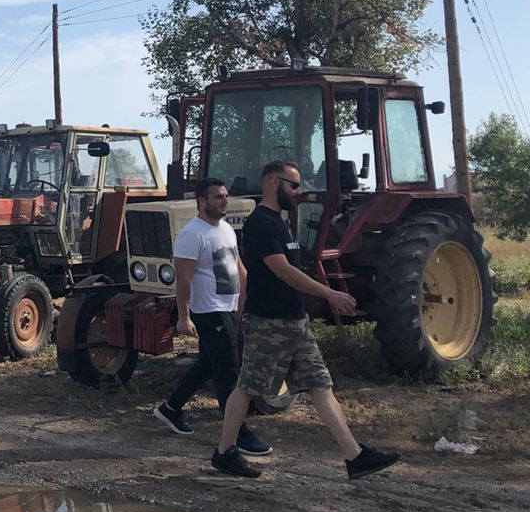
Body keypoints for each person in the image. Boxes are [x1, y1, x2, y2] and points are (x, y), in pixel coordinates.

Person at [211, 160, 400, 480]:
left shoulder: (281, 223)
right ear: (273, 182)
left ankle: (355, 456)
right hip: (269, 324)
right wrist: (330, 294)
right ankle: (224, 452)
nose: (299, 192)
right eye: (294, 185)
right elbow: (282, 270)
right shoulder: (261, 223)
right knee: (247, 388)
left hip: (294, 322)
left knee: (320, 386)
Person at [153, 178, 269, 456]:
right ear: (202, 201)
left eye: (225, 196)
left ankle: (170, 408)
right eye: (217, 197)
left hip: (229, 308)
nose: (224, 201)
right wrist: (184, 317)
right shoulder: (192, 234)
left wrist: (244, 303)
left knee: (208, 363)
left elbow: (238, 268)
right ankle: (238, 434)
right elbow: (183, 279)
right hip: (208, 309)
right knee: (229, 368)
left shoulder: (227, 229)